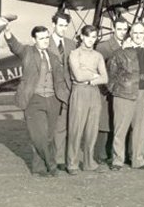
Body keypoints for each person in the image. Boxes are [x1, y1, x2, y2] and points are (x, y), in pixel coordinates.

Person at [4, 25, 71, 177]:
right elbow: (16, 47)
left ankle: (39, 168)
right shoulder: (28, 52)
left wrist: (64, 97)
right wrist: (8, 33)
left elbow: (59, 80)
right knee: (38, 136)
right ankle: (51, 164)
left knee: (48, 136)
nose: (45, 41)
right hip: (34, 100)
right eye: (41, 38)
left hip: (53, 99)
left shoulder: (54, 57)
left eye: (47, 37)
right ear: (34, 40)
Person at [106, 22, 144, 171]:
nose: (138, 36)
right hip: (124, 95)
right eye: (135, 33)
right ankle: (117, 161)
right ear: (130, 34)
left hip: (143, 95)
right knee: (120, 129)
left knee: (140, 130)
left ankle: (138, 160)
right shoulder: (120, 53)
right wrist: (118, 91)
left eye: (141, 33)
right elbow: (110, 76)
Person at [66, 25, 109, 175]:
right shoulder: (74, 54)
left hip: (94, 93)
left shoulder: (98, 56)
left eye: (94, 37)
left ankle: (89, 162)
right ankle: (72, 163)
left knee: (92, 129)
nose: (91, 40)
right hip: (79, 92)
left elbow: (105, 78)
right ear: (82, 37)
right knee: (76, 128)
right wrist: (94, 75)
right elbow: (78, 76)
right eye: (88, 36)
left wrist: (91, 79)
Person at [94, 17, 130, 165]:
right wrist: (105, 88)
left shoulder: (129, 45)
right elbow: (96, 69)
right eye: (119, 29)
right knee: (105, 122)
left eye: (124, 29)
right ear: (114, 29)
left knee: (118, 122)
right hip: (106, 91)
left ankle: (113, 152)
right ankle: (100, 154)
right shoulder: (103, 47)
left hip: (123, 91)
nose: (122, 32)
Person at [47, 11, 76, 170]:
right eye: (60, 25)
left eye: (66, 26)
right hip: (50, 90)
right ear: (53, 25)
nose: (63, 29)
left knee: (63, 126)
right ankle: (49, 158)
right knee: (51, 128)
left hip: (67, 91)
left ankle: (59, 160)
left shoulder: (71, 44)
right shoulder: (45, 42)